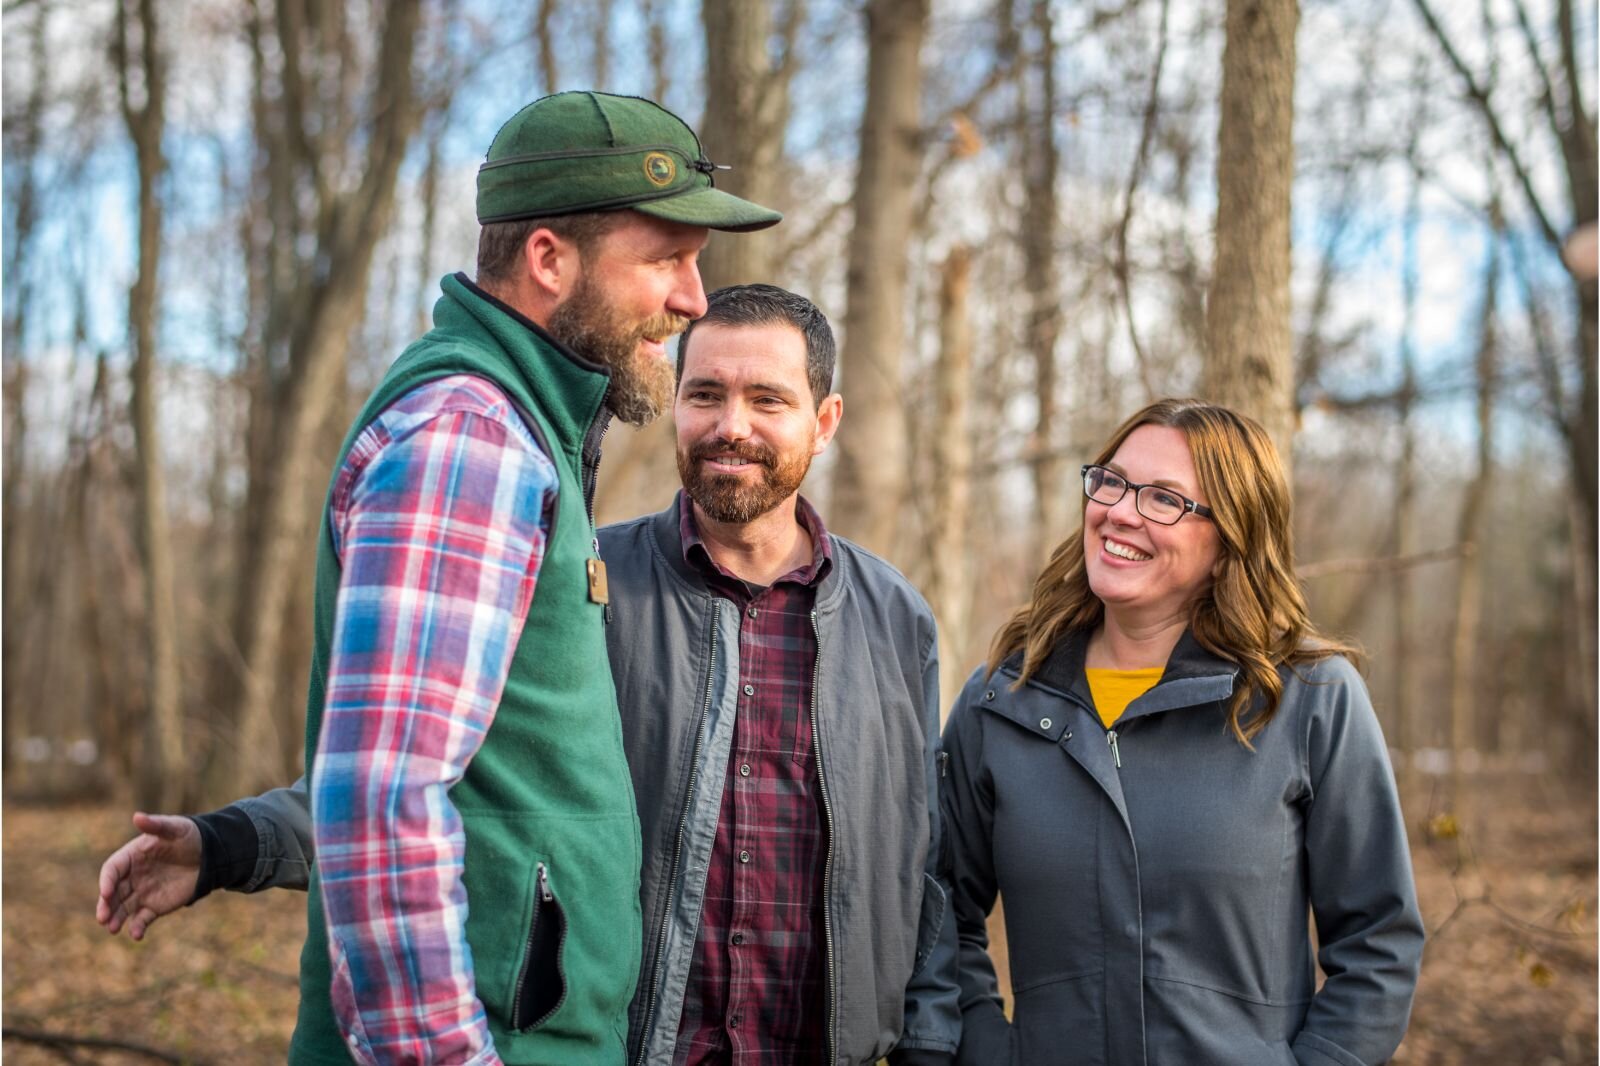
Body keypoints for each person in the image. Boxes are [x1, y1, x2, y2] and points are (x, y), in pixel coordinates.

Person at [98, 285, 960, 1066]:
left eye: (767, 399)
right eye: (705, 394)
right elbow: (426, 773)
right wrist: (228, 846)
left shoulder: (895, 620)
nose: (731, 424)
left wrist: (929, 1044)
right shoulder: (584, 580)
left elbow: (918, 866)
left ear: (826, 419)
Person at [99, 89, 781, 1066]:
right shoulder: (471, 440)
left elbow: (469, 774)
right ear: (550, 259)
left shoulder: (522, 434)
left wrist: (232, 846)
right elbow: (385, 798)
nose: (693, 297)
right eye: (666, 258)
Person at [940, 399, 1424, 1066]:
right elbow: (936, 914)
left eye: (1164, 498)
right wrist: (988, 1052)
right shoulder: (1003, 701)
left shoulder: (1310, 700)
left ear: (1229, 544)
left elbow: (1378, 944)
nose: (1121, 511)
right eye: (1111, 481)